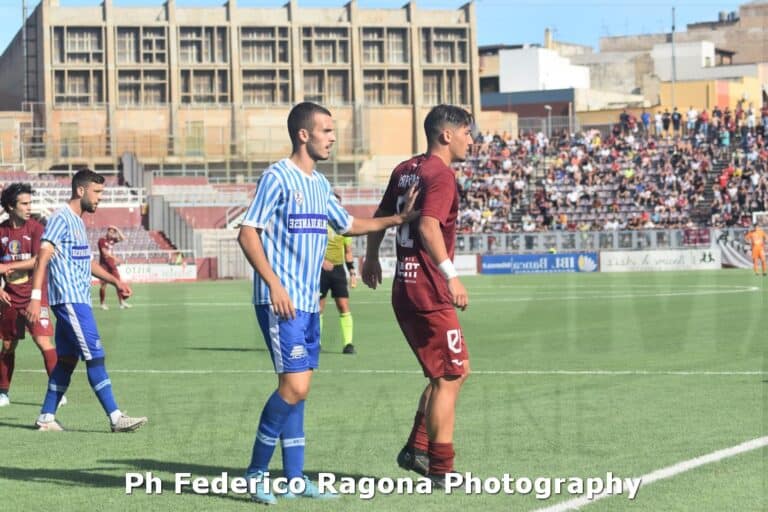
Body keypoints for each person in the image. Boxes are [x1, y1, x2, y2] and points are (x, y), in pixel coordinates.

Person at [237, 101, 418, 505]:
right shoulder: (277, 177)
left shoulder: (319, 184)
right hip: (280, 302)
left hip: (307, 302)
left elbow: (349, 224)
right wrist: (274, 285)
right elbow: (248, 234)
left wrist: (397, 220)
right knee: (294, 386)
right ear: (304, 134)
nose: (332, 138)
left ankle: (296, 479)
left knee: (299, 391)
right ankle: (254, 473)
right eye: (326, 131)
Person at [362, 104, 473, 487]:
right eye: (467, 133)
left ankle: (416, 448)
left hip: (404, 287)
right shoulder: (440, 174)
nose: (470, 141)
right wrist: (452, 276)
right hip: (429, 288)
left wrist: (371, 256)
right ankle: (441, 469)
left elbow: (379, 215)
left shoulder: (405, 169)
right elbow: (427, 226)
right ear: (447, 134)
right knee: (451, 374)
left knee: (445, 374)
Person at [26, 169, 147, 433]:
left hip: (78, 300)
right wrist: (36, 298)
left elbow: (87, 262)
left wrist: (115, 281)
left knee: (67, 362)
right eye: (97, 192)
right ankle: (116, 418)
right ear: (81, 190)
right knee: (96, 356)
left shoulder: (79, 223)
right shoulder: (61, 218)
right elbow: (43, 256)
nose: (100, 198)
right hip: (70, 302)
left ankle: (46, 417)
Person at [0, 183, 59, 407]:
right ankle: (3, 392)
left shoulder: (36, 228)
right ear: (10, 207)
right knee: (7, 345)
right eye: (24, 203)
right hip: (9, 298)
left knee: (43, 340)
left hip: (35, 296)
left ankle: (57, 391)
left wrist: (7, 267)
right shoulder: (1, 232)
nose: (28, 207)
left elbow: (38, 260)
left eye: (29, 203)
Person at [319, 192, 357, 355]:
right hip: (320, 271)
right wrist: (321, 261)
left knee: (343, 305)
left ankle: (348, 344)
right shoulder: (319, 223)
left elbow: (348, 251)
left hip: (338, 270)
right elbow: (310, 246)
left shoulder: (343, 226)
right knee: (318, 309)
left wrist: (352, 271)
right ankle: (316, 343)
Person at [98, 226, 131, 310]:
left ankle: (122, 303)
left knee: (118, 283)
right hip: (104, 265)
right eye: (110, 232)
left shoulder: (112, 240)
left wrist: (117, 229)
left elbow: (123, 238)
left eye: (113, 232)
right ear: (107, 232)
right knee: (103, 285)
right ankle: (102, 303)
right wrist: (115, 258)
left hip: (112, 265)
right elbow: (104, 252)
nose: (112, 233)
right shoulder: (102, 240)